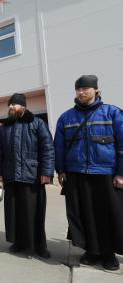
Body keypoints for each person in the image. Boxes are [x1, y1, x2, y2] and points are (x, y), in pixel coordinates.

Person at [54, 75, 123, 270]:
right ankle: (91, 251)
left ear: (96, 90)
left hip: (105, 173)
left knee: (108, 215)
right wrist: (60, 170)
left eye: (86, 88)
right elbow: (59, 147)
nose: (82, 92)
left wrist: (121, 173)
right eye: (78, 89)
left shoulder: (112, 113)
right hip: (76, 173)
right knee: (84, 214)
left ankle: (109, 254)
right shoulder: (66, 117)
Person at [0, 93, 54, 258]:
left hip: (32, 176)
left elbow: (47, 148)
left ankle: (39, 246)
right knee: (15, 214)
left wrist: (46, 172)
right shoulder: (4, 128)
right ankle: (18, 242)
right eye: (10, 104)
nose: (11, 107)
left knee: (35, 213)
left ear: (24, 107)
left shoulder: (37, 123)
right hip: (11, 177)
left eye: (14, 104)